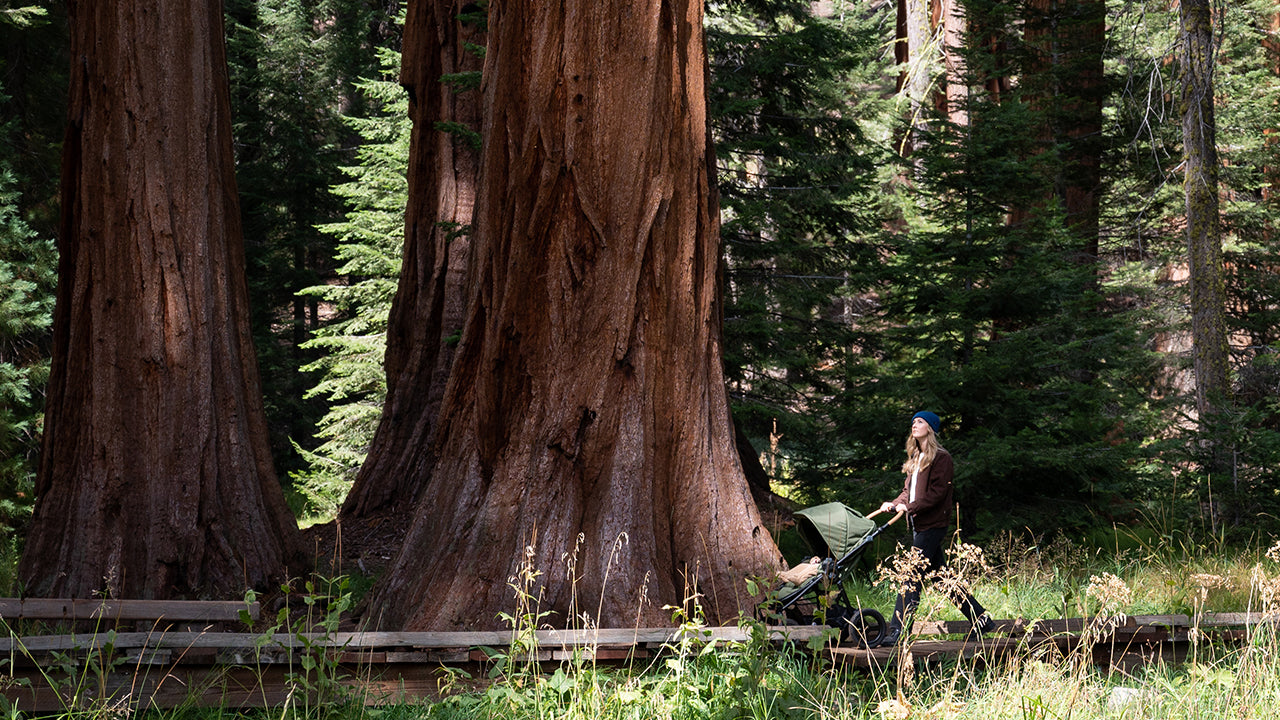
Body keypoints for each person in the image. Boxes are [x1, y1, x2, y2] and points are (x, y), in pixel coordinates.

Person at [878, 411, 993, 645]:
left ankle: (898, 631)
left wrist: (909, 507)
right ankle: (980, 619)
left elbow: (937, 494)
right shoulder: (916, 457)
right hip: (918, 526)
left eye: (919, 422)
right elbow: (907, 492)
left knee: (910, 575)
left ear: (930, 427)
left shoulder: (941, 458)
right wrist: (895, 504)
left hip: (933, 525)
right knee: (942, 579)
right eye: (913, 422)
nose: (914, 425)